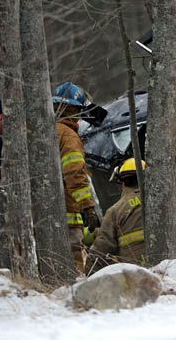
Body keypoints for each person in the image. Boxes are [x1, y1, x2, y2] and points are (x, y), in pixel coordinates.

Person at [53, 82, 102, 272]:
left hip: (40, 215)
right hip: (67, 213)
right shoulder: (69, 136)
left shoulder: (40, 131)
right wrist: (88, 208)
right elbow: (75, 175)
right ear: (74, 109)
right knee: (72, 266)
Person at [85, 158, 146, 276]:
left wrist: (88, 277)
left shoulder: (115, 211)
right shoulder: (165, 204)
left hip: (134, 274)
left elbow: (101, 251)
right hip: (168, 269)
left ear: (122, 183)